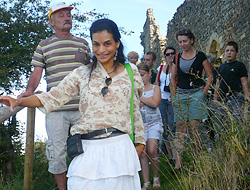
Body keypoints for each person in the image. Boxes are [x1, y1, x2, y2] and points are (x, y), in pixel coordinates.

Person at [1, 18, 145, 190]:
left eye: (107, 44)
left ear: (117, 43)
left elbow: (134, 108)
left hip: (120, 148)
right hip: (88, 150)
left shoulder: (131, 72)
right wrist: (19, 101)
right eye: (96, 44)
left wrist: (141, 143)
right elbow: (53, 97)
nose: (101, 50)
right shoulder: (81, 74)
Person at [17, 2, 91, 189]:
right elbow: (37, 72)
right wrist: (29, 92)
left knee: (87, 150)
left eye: (68, 14)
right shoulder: (44, 45)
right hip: (56, 108)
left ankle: (84, 185)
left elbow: (92, 72)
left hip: (83, 107)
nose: (67, 17)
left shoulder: (82, 43)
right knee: (57, 153)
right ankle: (63, 188)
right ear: (51, 22)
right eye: (61, 15)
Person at [170, 29, 213, 171]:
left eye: (185, 41)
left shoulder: (200, 56)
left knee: (194, 127)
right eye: (180, 42)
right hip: (180, 95)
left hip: (196, 94)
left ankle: (196, 160)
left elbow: (210, 76)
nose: (183, 44)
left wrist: (203, 93)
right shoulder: (177, 57)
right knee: (180, 129)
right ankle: (178, 164)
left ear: (191, 40)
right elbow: (173, 77)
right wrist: (173, 94)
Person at [138, 63, 163, 189]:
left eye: (142, 75)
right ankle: (146, 181)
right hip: (140, 125)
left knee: (152, 150)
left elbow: (155, 103)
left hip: (154, 123)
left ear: (149, 74)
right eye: (137, 76)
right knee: (143, 153)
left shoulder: (155, 88)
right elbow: (134, 107)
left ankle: (156, 177)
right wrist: (145, 101)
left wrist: (142, 99)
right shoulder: (134, 90)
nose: (140, 78)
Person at [214, 41, 250, 121]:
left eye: (232, 51)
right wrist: (215, 98)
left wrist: (246, 95)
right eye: (227, 51)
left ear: (236, 52)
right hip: (223, 98)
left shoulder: (239, 65)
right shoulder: (221, 67)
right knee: (223, 120)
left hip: (236, 96)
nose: (229, 53)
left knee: (236, 118)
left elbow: (244, 81)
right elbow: (217, 83)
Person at [156, 46, 176, 165]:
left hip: (173, 100)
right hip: (162, 100)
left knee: (172, 127)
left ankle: (175, 155)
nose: (170, 56)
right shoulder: (161, 68)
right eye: (168, 54)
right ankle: (170, 156)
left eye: (172, 53)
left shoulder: (177, 68)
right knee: (164, 128)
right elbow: (157, 83)